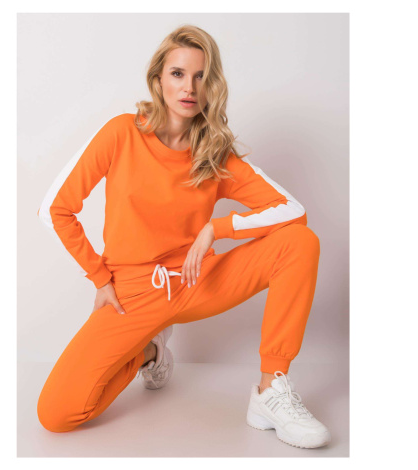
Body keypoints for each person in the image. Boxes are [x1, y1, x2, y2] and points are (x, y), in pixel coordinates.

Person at [36, 24, 331, 449]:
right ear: (158, 80)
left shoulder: (215, 154)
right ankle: (150, 352)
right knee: (57, 414)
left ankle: (270, 392)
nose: (189, 87)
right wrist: (99, 277)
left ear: (212, 87)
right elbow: (56, 208)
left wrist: (217, 228)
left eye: (200, 76)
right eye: (178, 74)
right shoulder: (122, 133)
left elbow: (293, 211)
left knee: (300, 244)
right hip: (132, 294)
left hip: (196, 280)